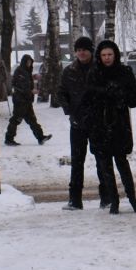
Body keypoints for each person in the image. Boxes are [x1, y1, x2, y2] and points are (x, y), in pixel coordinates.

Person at [86, 39, 136, 214]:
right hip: (100, 124)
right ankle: (114, 201)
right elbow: (88, 97)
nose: (107, 58)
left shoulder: (124, 72)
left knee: (122, 163)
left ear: (115, 55)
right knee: (105, 166)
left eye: (110, 54)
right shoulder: (94, 73)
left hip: (119, 124)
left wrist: (121, 94)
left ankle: (132, 198)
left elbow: (135, 99)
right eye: (103, 55)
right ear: (99, 56)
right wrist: (104, 94)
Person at [59, 38, 95, 209]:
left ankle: (107, 197)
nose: (81, 52)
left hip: (97, 122)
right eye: (78, 49)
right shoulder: (69, 71)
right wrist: (70, 111)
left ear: (91, 51)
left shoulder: (98, 68)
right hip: (77, 122)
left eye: (85, 49)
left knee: (102, 160)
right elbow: (61, 92)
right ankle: (75, 199)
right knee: (77, 161)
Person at [4, 55, 50, 147]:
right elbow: (19, 86)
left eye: (30, 62)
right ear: (24, 62)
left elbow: (25, 81)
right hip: (20, 100)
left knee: (32, 120)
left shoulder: (26, 71)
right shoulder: (20, 71)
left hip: (27, 100)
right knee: (16, 120)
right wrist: (30, 91)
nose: (29, 63)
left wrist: (33, 77)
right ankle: (9, 139)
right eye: (27, 62)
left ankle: (40, 137)